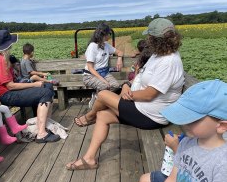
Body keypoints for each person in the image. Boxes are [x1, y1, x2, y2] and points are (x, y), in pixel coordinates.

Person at [67, 18, 184, 169]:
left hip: (151, 115)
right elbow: (140, 76)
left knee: (103, 94)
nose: (148, 40)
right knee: (102, 115)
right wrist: (127, 85)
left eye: (150, 37)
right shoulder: (158, 55)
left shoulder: (169, 62)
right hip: (140, 106)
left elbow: (150, 94)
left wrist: (127, 95)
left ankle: (89, 117)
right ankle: (89, 159)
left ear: (157, 40)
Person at [138, 79, 227, 182]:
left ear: (222, 126)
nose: (184, 122)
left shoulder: (222, 163)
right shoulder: (186, 143)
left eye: (193, 119)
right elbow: (174, 179)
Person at [0, 29, 60, 143]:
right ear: (7, 44)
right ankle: (41, 134)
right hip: (5, 95)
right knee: (46, 92)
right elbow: (10, 86)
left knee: (46, 87)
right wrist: (34, 84)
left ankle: (42, 124)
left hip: (6, 92)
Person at [81, 23, 127, 110]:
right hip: (90, 75)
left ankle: (97, 97)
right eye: (109, 33)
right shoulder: (92, 46)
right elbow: (90, 68)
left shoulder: (106, 45)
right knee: (104, 86)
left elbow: (120, 52)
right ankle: (98, 107)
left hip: (105, 73)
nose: (110, 35)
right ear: (104, 34)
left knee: (116, 85)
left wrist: (119, 58)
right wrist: (103, 80)